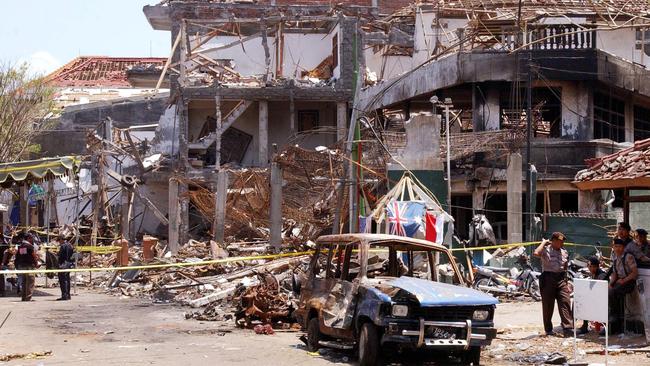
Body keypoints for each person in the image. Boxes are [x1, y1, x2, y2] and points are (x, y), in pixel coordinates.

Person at [534, 232, 573, 336]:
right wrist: (543, 243)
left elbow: (565, 268)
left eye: (563, 242)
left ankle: (568, 328)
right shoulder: (546, 250)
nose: (562, 244)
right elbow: (536, 253)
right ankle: (548, 329)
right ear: (553, 241)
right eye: (560, 241)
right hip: (548, 278)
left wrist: (566, 282)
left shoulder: (564, 252)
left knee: (565, 302)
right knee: (548, 305)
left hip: (561, 279)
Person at [609, 238, 638, 334]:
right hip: (620, 281)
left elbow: (635, 273)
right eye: (615, 246)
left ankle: (615, 315)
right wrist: (610, 283)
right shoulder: (615, 258)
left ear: (623, 247)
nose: (617, 249)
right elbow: (614, 274)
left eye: (619, 247)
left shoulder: (628, 257)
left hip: (629, 281)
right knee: (608, 291)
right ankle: (614, 320)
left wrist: (624, 280)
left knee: (614, 292)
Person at [577, 257, 607, 334]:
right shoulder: (593, 274)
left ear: (596, 267)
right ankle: (584, 325)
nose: (590, 268)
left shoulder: (601, 275)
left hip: (603, 301)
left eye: (592, 266)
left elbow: (600, 290)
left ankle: (604, 327)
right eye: (589, 266)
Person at [14, 234, 39, 301]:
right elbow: (33, 255)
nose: (32, 239)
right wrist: (36, 263)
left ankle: (24, 297)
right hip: (29, 266)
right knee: (30, 281)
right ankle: (28, 297)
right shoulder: (29, 246)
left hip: (22, 265)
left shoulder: (21, 246)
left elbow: (19, 256)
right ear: (28, 238)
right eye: (31, 238)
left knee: (24, 282)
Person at [56, 234, 74, 301]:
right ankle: (68, 295)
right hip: (68, 263)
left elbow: (61, 256)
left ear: (61, 239)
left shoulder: (63, 246)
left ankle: (64, 295)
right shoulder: (70, 245)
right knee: (67, 280)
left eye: (59, 241)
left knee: (63, 280)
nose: (59, 242)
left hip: (63, 264)